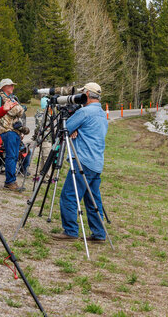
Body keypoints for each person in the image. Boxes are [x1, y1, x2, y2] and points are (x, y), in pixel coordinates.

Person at [51, 82, 108, 243]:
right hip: (96, 162)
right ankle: (99, 233)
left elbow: (65, 128)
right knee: (93, 200)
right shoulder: (102, 113)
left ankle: (70, 230)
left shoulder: (84, 112)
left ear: (87, 95)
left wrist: (73, 127)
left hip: (83, 161)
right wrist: (77, 129)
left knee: (69, 195)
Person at [0, 78, 27, 191]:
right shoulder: (1, 97)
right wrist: (19, 107)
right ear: (4, 87)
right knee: (11, 156)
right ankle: (10, 181)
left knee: (13, 156)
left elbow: (18, 109)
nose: (12, 87)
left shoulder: (10, 98)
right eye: (10, 86)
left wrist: (18, 107)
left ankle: (11, 180)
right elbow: (15, 111)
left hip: (13, 130)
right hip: (7, 130)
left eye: (12, 85)